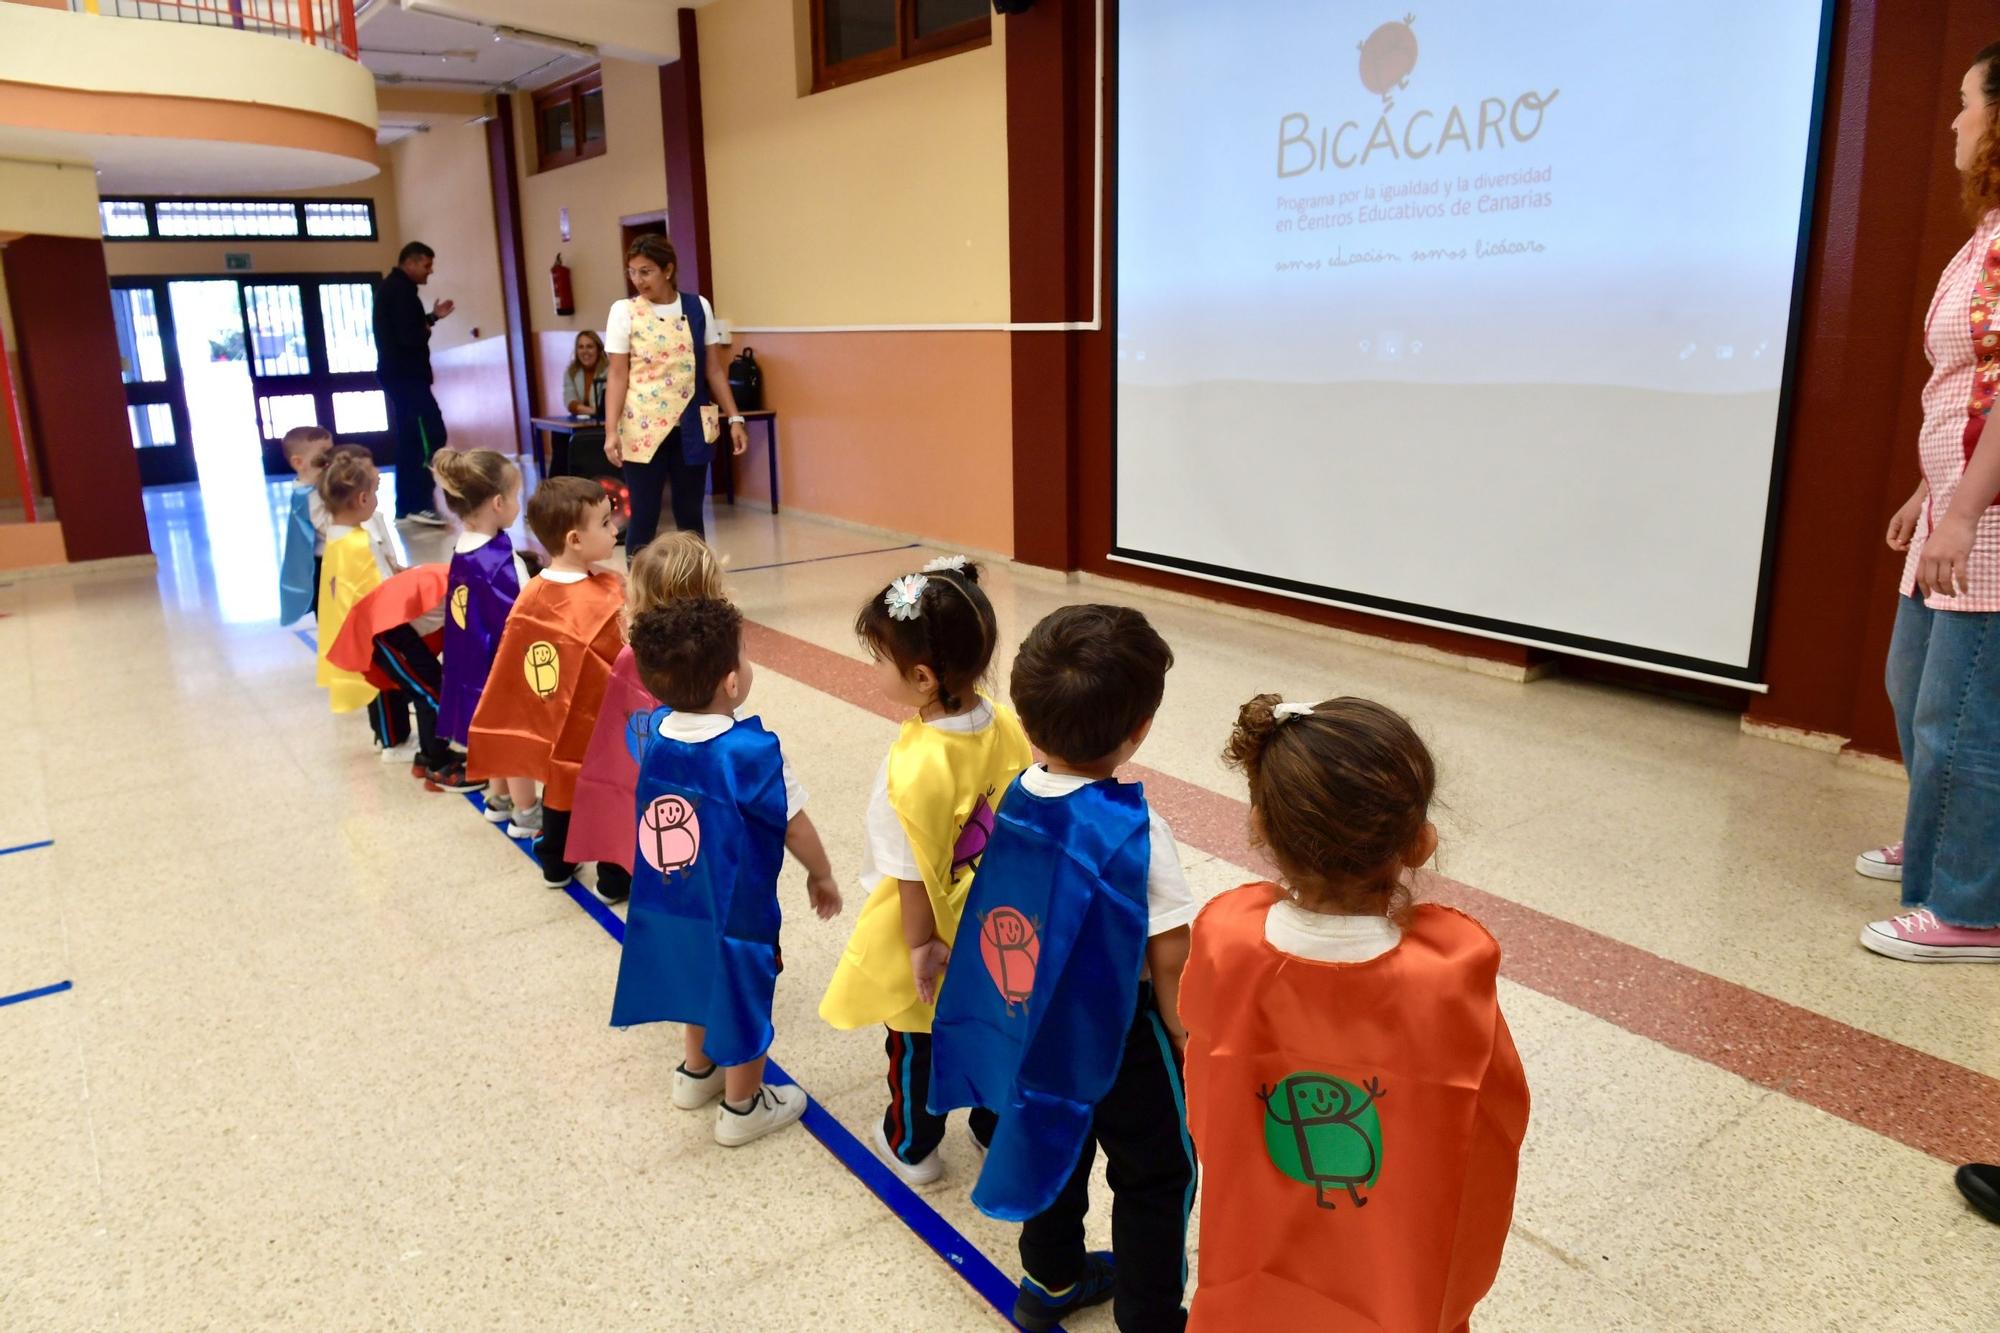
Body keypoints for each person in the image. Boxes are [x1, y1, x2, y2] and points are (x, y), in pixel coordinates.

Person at [1180, 695, 1529, 1331]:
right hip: (1393, 1261)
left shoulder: (1226, 941)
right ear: (1420, 843)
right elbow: (1493, 1118)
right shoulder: (1447, 977)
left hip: (1262, 1242)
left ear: (1260, 826)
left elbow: (1205, 1082)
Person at [929, 604, 1200, 1333]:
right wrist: (1182, 1031)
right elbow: (1169, 951)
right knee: (1156, 1171)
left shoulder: (1016, 794)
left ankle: (1048, 1279)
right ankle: (1150, 1316)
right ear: (1139, 728)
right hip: (1123, 1034)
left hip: (1033, 1021)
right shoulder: (1137, 828)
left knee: (1052, 1136)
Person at [818, 556, 1033, 1184]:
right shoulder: (1008, 724)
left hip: (933, 930)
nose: (873, 670)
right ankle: (995, 1130)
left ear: (921, 677)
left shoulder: (909, 769)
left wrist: (920, 946)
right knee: (996, 1026)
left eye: (879, 659)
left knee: (916, 1040)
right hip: (998, 924)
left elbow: (909, 873)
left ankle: (914, 1147)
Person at [1858, 40, 2000, 964]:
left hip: (1987, 520)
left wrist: (1961, 511)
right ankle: (1945, 829)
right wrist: (1926, 489)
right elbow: (1967, 382)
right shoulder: (1985, 233)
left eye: (1966, 102)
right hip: (1954, 501)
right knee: (1912, 689)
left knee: (1968, 712)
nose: (1953, 120)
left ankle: (1972, 908)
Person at [610, 597, 844, 1147]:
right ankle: (743, 1106)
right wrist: (822, 873)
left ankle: (696, 1074)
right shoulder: (750, 751)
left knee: (695, 979)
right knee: (744, 995)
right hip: (737, 912)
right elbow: (793, 825)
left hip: (673, 903)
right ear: (732, 683)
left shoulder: (658, 732)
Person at [465, 477, 626, 895]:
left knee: (561, 789)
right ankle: (614, 876)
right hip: (602, 729)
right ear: (575, 539)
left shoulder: (532, 592)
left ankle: (556, 862)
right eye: (606, 524)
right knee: (609, 795)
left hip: (555, 725)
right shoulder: (607, 596)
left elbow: (513, 663)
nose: (615, 531)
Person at [566, 532, 726, 882]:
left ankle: (613, 873)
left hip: (631, 755)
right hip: (676, 768)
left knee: (625, 799)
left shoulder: (631, 650)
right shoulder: (705, 661)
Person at [313, 448, 476, 792]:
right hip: (387, 635)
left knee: (428, 685)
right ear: (361, 498)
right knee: (432, 689)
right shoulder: (357, 543)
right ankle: (438, 763)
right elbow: (379, 596)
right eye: (373, 492)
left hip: (380, 634)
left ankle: (428, 753)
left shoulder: (338, 540)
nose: (375, 499)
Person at [600, 236, 751, 546]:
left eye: (646, 271)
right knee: (644, 515)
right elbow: (617, 374)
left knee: (691, 515)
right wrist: (610, 430)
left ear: (668, 270)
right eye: (632, 272)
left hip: (693, 425)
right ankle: (642, 591)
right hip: (642, 425)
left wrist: (735, 419)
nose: (638, 280)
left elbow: (712, 369)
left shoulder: (698, 307)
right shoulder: (624, 311)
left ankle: (695, 587)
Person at [433, 449, 532, 809]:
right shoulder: (499, 562)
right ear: (497, 502)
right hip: (501, 668)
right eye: (517, 497)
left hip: (470, 664)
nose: (519, 504)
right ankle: (526, 811)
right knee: (514, 741)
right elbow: (523, 617)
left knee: (490, 732)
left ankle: (499, 798)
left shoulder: (464, 547)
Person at [374, 240, 455, 526]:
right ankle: (416, 504)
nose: (429, 272)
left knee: (414, 439)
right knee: (428, 436)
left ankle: (409, 505)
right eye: (426, 265)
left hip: (405, 377)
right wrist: (426, 326)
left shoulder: (399, 290)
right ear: (410, 261)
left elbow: (407, 328)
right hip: (406, 378)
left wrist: (432, 317)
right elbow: (410, 336)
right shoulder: (398, 290)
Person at [277, 425, 335, 626]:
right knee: (330, 616)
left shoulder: (318, 489)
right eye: (323, 455)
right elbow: (329, 529)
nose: (330, 460)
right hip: (324, 563)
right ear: (299, 463)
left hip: (334, 558)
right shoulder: (306, 496)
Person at [565, 331, 609, 417]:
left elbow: (605, 406)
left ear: (599, 350)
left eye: (590, 346)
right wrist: (592, 411)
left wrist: (594, 412)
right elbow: (570, 401)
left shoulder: (609, 371)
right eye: (581, 347)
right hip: (583, 421)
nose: (585, 351)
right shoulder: (571, 371)